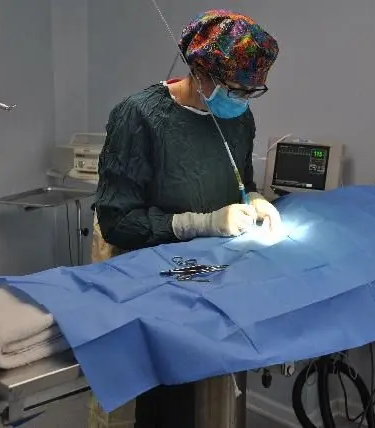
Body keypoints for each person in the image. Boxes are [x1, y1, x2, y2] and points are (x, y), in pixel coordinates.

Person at [89, 9, 280, 428]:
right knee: (164, 401)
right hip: (148, 279)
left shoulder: (239, 117)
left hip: (212, 274)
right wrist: (201, 223)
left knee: (212, 390)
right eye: (235, 88)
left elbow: (239, 180)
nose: (243, 99)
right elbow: (119, 221)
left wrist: (256, 199)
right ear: (200, 70)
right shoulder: (138, 116)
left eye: (253, 91)